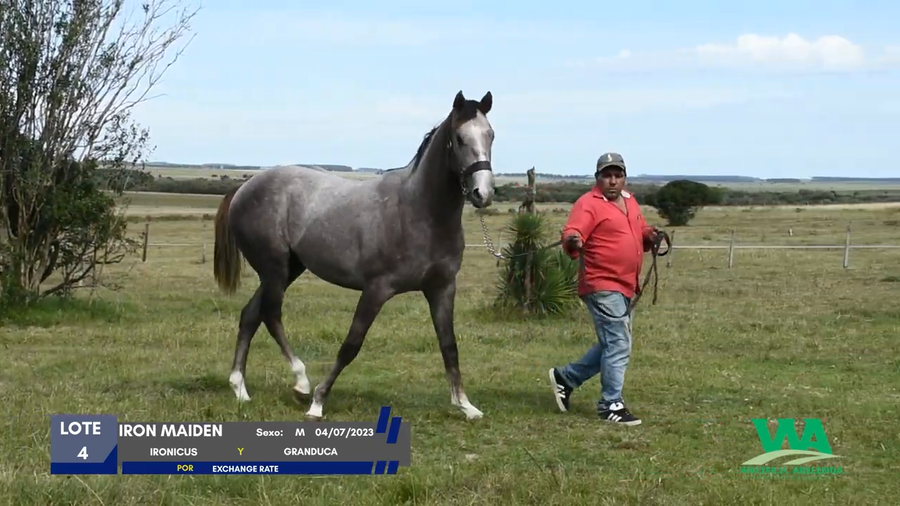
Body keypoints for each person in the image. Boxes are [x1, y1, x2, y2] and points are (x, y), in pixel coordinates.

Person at [548, 152, 660, 426]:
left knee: (613, 342)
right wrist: (573, 241)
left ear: (624, 177)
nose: (612, 181)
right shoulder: (588, 204)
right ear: (597, 178)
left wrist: (649, 235)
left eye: (617, 175)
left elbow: (639, 229)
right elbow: (572, 231)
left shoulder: (630, 201)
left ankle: (567, 377)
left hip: (625, 283)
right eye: (607, 176)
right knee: (619, 342)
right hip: (601, 282)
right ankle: (611, 404)